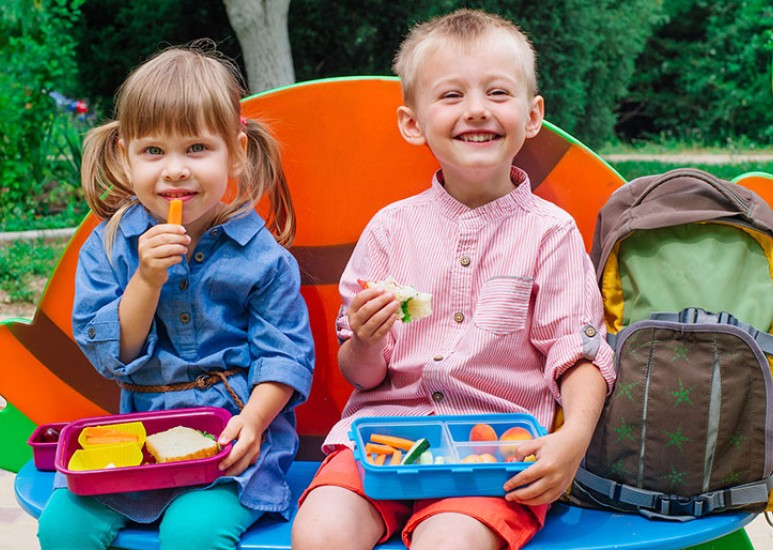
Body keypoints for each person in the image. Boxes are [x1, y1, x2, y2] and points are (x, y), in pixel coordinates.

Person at [292, 9, 615, 550]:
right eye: (450, 96)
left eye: (497, 93)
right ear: (412, 123)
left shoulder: (550, 233)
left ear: (532, 115)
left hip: (494, 453)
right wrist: (367, 340)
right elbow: (362, 375)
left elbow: (578, 351)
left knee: (450, 544)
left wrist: (572, 440)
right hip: (382, 442)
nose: (477, 111)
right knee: (318, 532)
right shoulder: (389, 229)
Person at [37, 43, 315, 550]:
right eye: (153, 151)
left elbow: (286, 357)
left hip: (235, 444)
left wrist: (253, 423)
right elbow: (110, 356)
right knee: (63, 526)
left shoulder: (264, 259)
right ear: (125, 155)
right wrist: (145, 280)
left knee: (193, 534)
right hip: (138, 435)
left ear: (236, 151)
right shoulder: (108, 246)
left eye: (196, 149)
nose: (175, 170)